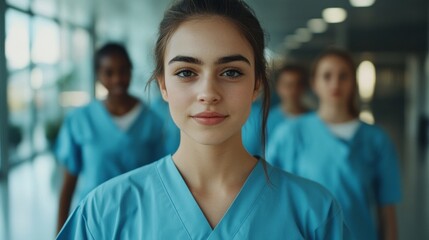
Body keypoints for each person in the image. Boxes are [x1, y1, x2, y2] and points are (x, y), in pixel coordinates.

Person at [57, 1, 348, 239]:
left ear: (257, 84)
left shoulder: (315, 213)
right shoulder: (105, 212)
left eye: (231, 72)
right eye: (186, 72)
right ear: (163, 85)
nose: (208, 93)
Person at [268, 48, 401, 240]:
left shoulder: (376, 140)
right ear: (314, 83)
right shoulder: (290, 135)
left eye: (343, 76)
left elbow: (387, 212)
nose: (335, 83)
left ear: (353, 82)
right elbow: (272, 200)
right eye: (327, 76)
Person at [55, 43, 165, 232]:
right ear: (98, 75)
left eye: (123, 71)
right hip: (93, 221)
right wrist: (59, 233)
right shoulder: (81, 120)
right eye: (108, 72)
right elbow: (68, 185)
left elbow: (160, 180)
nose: (117, 79)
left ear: (131, 71)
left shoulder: (152, 121)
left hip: (139, 222)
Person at [242, 64, 309, 156]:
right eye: (288, 85)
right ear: (278, 87)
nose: (293, 90)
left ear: (305, 87)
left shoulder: (316, 121)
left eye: (298, 85)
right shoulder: (264, 121)